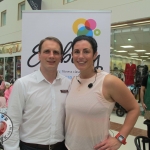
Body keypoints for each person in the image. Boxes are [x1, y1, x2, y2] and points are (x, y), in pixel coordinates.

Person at [65, 35, 140, 150]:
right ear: (72, 55)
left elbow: (134, 109)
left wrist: (120, 138)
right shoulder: (74, 80)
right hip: (69, 146)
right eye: (76, 52)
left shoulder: (108, 81)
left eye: (86, 51)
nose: (80, 56)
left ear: (95, 55)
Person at [4, 37, 70, 150]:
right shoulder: (23, 84)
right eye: (46, 51)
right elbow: (12, 122)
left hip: (60, 147)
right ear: (39, 55)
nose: (51, 56)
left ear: (61, 57)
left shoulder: (68, 84)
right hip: (30, 147)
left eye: (56, 52)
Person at [140, 74, 150, 138]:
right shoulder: (146, 77)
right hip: (148, 102)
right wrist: (142, 102)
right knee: (149, 121)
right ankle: (149, 136)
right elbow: (142, 89)